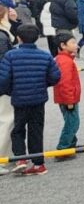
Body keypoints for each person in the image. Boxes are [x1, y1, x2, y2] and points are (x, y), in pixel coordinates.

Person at [0, 24, 60, 175]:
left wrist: (10, 91)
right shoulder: (45, 55)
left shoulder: (11, 55)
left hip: (19, 98)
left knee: (18, 130)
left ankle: (21, 158)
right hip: (38, 98)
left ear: (18, 38)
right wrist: (44, 84)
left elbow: (4, 79)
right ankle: (39, 164)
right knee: (36, 130)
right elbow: (55, 76)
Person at [52, 34, 81, 156]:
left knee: (70, 121)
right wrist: (69, 100)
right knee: (72, 122)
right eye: (73, 43)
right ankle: (63, 148)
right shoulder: (65, 61)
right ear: (63, 45)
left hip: (67, 97)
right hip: (68, 98)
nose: (76, 45)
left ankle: (71, 144)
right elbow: (65, 83)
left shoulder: (64, 59)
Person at [0, 5, 15, 174]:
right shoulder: (2, 37)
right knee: (6, 120)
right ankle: (2, 157)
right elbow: (4, 64)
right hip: (3, 86)